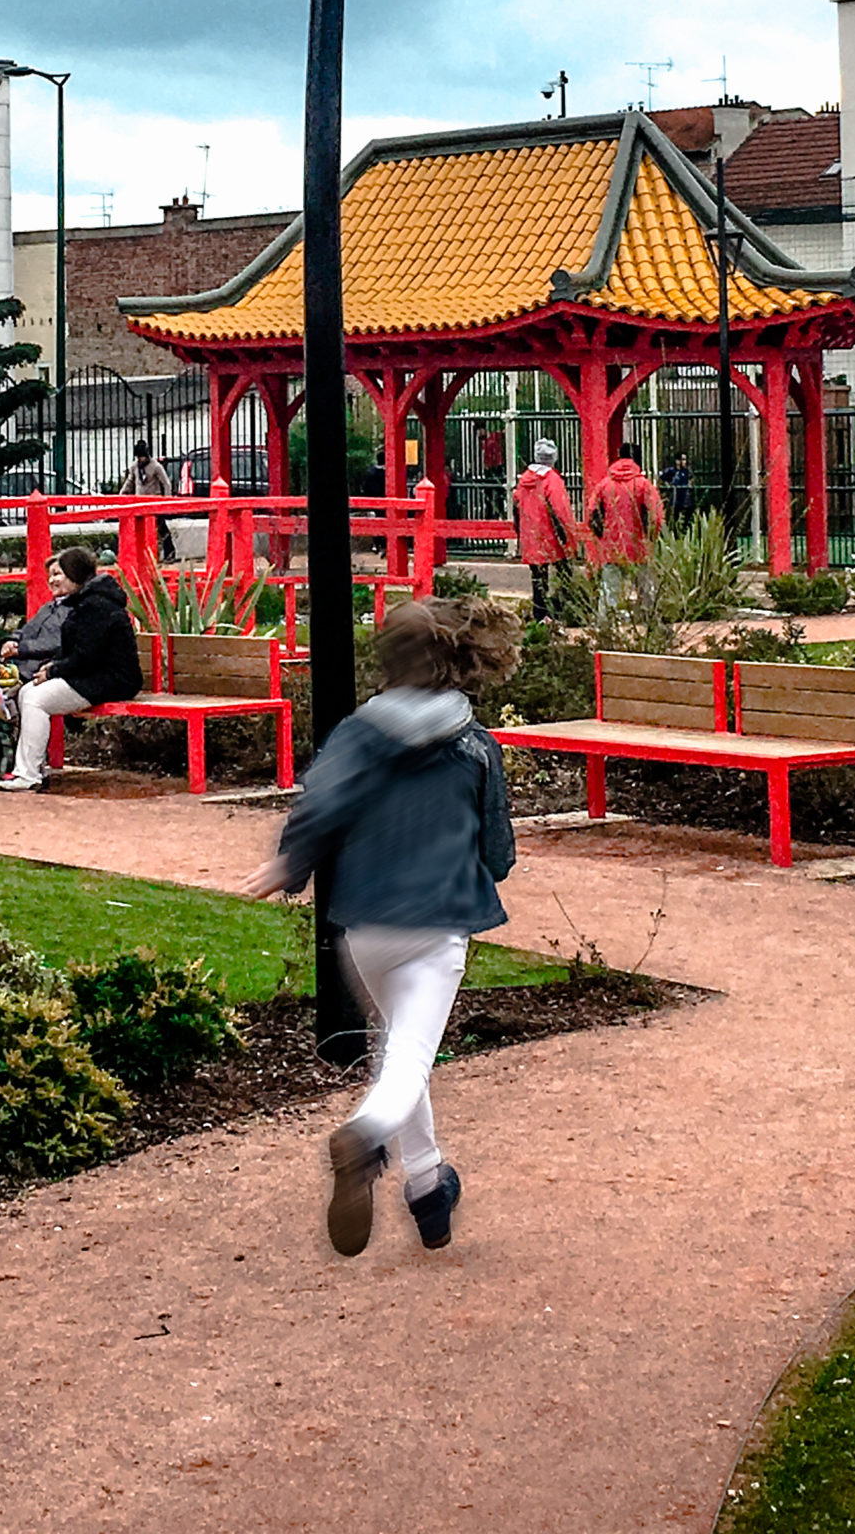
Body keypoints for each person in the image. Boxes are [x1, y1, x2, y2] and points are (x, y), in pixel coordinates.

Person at [242, 597, 517, 1257]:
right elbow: (499, 853)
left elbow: (319, 807)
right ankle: (363, 1139)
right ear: (457, 662)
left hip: (365, 922)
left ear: (387, 661)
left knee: (398, 1046)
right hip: (439, 918)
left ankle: (428, 1188)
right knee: (408, 1062)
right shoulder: (474, 744)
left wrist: (291, 865)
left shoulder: (359, 734)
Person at [0, 545, 144, 791]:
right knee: (28, 691)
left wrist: (53, 671)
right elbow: (75, 651)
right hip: (92, 674)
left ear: (74, 574)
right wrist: (53, 667)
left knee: (36, 699)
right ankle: (31, 768)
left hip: (113, 679)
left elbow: (88, 656)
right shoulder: (83, 602)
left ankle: (28, 775)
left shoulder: (97, 606)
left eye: (58, 573)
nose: (52, 581)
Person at [585, 442, 666, 615]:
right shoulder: (643, 485)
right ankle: (651, 623)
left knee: (609, 593)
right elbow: (655, 515)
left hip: (611, 548)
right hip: (639, 547)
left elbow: (592, 513)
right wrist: (652, 537)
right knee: (646, 592)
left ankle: (606, 627)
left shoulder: (604, 485)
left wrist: (601, 538)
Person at [513, 439, 578, 619]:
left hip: (531, 536)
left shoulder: (524, 480)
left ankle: (539, 615)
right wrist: (569, 537)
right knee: (565, 574)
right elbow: (561, 510)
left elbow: (516, 507)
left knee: (538, 580)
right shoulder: (552, 480)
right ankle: (561, 611)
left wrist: (520, 534)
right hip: (551, 537)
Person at [119, 437, 177, 561]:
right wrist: (122, 494)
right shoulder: (135, 467)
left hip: (154, 501)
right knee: (139, 530)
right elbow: (130, 481)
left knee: (161, 528)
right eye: (138, 457)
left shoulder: (156, 466)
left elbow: (166, 483)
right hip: (139, 501)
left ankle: (170, 552)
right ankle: (142, 555)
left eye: (142, 457)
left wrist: (167, 500)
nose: (140, 459)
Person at [664, 452, 696, 528]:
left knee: (687, 517)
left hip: (685, 498)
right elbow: (662, 479)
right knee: (675, 517)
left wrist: (689, 484)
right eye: (682, 459)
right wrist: (668, 487)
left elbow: (692, 478)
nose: (684, 462)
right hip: (675, 498)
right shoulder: (671, 471)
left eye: (685, 460)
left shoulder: (686, 471)